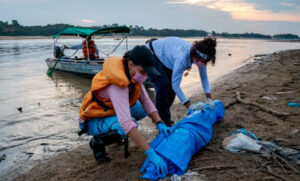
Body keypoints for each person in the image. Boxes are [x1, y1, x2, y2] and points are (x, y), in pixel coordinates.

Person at [78, 45, 171, 176]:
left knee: (141, 110)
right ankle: (97, 142)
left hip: (109, 111)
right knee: (128, 125)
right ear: (131, 64)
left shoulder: (133, 75)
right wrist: (151, 153)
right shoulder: (118, 85)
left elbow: (146, 101)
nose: (145, 76)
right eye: (143, 71)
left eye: (147, 73)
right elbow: (127, 123)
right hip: (92, 120)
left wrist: (160, 122)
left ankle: (115, 132)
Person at [146, 37, 217, 126]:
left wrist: (209, 98)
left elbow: (204, 78)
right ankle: (163, 121)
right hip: (151, 54)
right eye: (201, 61)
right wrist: (189, 106)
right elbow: (176, 85)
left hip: (167, 59)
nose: (202, 64)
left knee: (171, 92)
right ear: (195, 55)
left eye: (205, 62)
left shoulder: (201, 58)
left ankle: (161, 117)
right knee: (163, 86)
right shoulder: (182, 58)